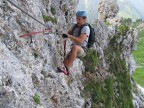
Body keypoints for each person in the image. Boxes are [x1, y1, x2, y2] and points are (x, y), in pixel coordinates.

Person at [57, 10, 90, 75]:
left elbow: (80, 41)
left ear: (84, 19)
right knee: (64, 64)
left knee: (75, 47)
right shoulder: (74, 26)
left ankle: (66, 68)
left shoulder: (86, 28)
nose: (77, 21)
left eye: (79, 19)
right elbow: (67, 33)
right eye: (77, 19)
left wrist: (69, 36)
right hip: (74, 49)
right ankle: (66, 72)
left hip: (82, 49)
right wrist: (61, 33)